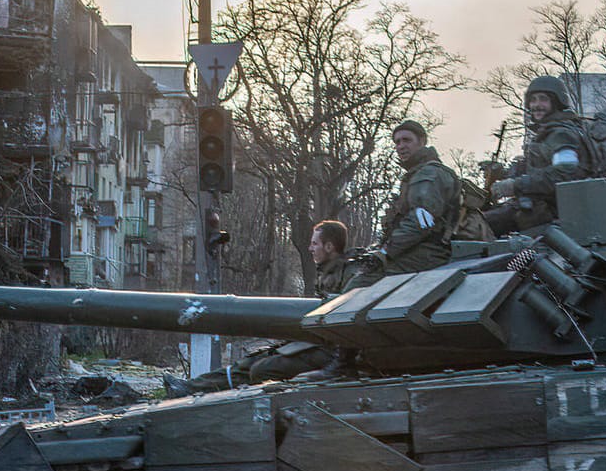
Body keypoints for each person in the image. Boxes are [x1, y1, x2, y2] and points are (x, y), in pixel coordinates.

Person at [165, 220, 349, 395]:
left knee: (262, 369)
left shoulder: (349, 275)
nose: (310, 248)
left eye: (315, 244)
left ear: (329, 247)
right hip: (313, 342)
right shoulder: (327, 273)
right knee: (250, 363)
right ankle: (191, 387)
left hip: (331, 351)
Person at [345, 120, 462, 291]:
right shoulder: (416, 174)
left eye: (407, 140)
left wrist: (385, 252)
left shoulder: (429, 174)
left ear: (422, 141)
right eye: (397, 142)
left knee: (359, 286)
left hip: (429, 252)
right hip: (414, 250)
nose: (401, 146)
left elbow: (422, 222)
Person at [483, 75, 594, 235]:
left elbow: (563, 176)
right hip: (542, 208)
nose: (536, 105)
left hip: (552, 214)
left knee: (476, 228)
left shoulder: (561, 134)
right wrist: (504, 173)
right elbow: (538, 171)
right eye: (533, 100)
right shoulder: (548, 133)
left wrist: (514, 186)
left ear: (556, 103)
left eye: (543, 99)